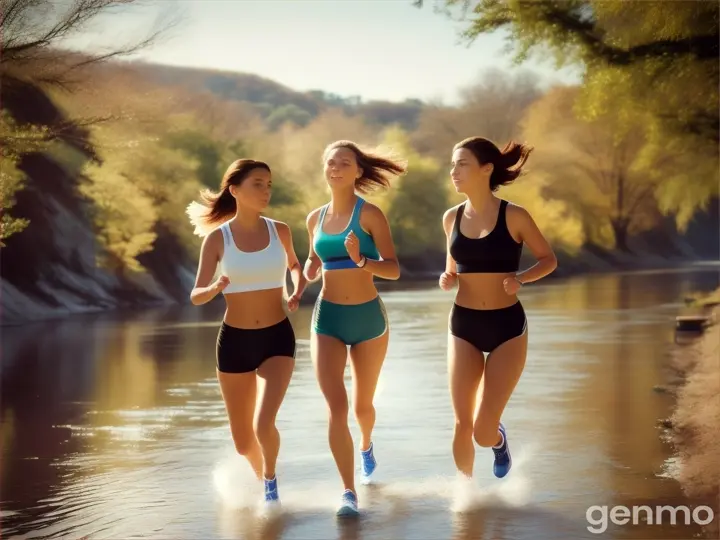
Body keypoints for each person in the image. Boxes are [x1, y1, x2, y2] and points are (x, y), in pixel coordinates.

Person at [186, 158, 306, 508]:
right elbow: (195, 294)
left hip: (277, 338)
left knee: (264, 422)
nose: (266, 190)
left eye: (269, 184)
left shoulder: (280, 230)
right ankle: (260, 479)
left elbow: (295, 266)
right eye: (258, 184)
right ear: (235, 190)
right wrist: (214, 288)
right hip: (234, 342)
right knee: (242, 442)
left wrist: (295, 290)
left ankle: (270, 485)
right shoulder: (217, 239)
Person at [439, 137, 557, 481]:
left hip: (507, 327)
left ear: (486, 169)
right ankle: (465, 500)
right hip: (463, 325)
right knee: (462, 423)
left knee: (481, 431)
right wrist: (447, 277)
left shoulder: (515, 215)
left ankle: (499, 440)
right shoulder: (451, 218)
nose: (454, 171)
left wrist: (522, 278)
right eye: (452, 164)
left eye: (462, 164)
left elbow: (549, 260)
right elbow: (453, 265)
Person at [303, 140, 406, 517]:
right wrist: (306, 273)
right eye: (330, 162)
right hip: (327, 319)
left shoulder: (371, 216)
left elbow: (393, 269)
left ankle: (365, 446)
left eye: (344, 163)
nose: (335, 168)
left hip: (368, 321)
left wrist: (362, 259)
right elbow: (313, 261)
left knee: (363, 406)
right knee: (337, 407)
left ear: (358, 171)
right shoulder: (313, 219)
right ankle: (348, 492)